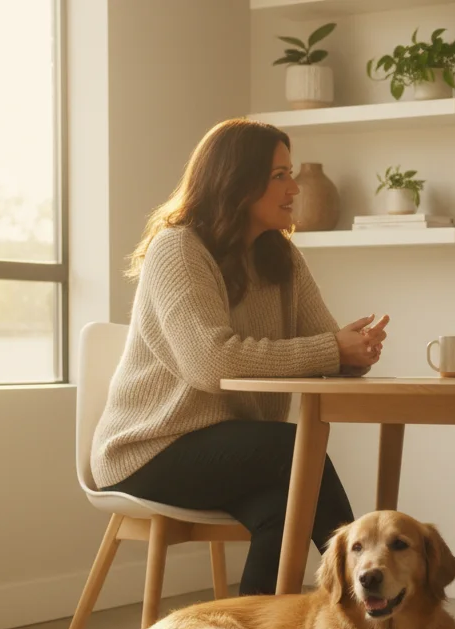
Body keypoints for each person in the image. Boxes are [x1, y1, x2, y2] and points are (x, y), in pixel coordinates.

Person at [90, 118, 389, 596]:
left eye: (290, 173)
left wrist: (351, 353)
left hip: (234, 453)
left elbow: (319, 341)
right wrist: (330, 348)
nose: (294, 188)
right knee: (297, 449)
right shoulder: (179, 249)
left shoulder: (282, 258)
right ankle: (366, 598)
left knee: (283, 509)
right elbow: (211, 364)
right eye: (279, 176)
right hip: (150, 449)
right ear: (235, 181)